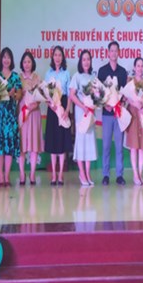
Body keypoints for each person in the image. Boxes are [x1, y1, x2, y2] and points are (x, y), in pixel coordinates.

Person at [97, 41, 128, 186]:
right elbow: (98, 93)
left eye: (116, 50)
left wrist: (118, 103)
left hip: (118, 113)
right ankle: (105, 175)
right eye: (112, 51)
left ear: (119, 53)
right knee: (106, 146)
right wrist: (106, 105)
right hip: (107, 114)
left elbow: (125, 93)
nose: (114, 53)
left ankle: (119, 175)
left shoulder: (122, 71)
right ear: (108, 53)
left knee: (119, 147)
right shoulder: (102, 71)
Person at [0, 47, 22, 187]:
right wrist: (3, 94)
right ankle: (0, 175)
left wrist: (14, 95)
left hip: (10, 116)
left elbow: (19, 95)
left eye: (8, 57)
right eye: (4, 57)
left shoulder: (15, 76)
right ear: (1, 59)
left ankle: (7, 175)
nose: (6, 60)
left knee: (8, 146)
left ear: (11, 60)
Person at [43, 46, 72, 187]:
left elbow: (70, 94)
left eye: (60, 55)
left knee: (61, 141)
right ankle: (53, 174)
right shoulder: (48, 73)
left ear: (62, 57)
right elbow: (45, 93)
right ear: (52, 57)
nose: (57, 57)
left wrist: (67, 110)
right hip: (52, 109)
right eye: (55, 55)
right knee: (53, 141)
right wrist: (51, 105)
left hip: (63, 107)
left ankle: (60, 174)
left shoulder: (66, 73)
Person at [69, 50, 98, 186]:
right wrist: (82, 106)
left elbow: (97, 96)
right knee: (81, 141)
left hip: (90, 113)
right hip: (81, 112)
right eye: (84, 59)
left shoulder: (93, 78)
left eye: (88, 59)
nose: (86, 62)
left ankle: (88, 173)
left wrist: (94, 104)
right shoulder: (77, 76)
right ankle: (81, 173)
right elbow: (72, 95)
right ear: (80, 62)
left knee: (89, 142)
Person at [124, 57, 143, 186]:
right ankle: (135, 174)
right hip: (133, 115)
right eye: (138, 66)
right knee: (134, 146)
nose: (140, 68)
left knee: (142, 147)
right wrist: (134, 103)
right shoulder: (130, 81)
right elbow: (126, 97)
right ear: (134, 67)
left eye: (142, 66)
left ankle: (140, 174)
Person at [17, 51, 43, 186]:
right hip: (23, 112)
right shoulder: (18, 77)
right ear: (22, 64)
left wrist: (34, 105)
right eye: (25, 62)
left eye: (29, 61)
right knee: (22, 144)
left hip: (34, 112)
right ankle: (22, 173)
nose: (27, 64)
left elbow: (42, 95)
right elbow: (17, 95)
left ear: (32, 63)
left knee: (33, 144)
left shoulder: (37, 77)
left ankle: (32, 173)